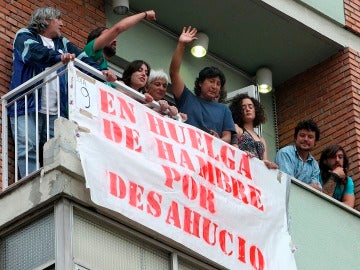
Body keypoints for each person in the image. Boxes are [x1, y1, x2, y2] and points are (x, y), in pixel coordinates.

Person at [9, 6, 115, 178]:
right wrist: (58, 57)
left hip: (55, 110)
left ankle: (52, 183)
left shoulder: (62, 43)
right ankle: (32, 184)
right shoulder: (24, 36)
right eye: (58, 20)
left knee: (56, 151)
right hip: (26, 104)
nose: (62, 24)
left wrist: (101, 72)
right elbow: (34, 53)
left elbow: (82, 59)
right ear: (46, 20)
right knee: (27, 147)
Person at [169, 26, 235, 143]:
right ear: (200, 83)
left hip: (209, 157)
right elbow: (174, 73)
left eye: (218, 84)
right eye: (211, 81)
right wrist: (181, 45)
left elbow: (227, 138)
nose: (215, 86)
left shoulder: (224, 110)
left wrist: (218, 140)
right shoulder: (186, 98)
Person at [84, 10, 156, 71]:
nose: (115, 40)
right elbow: (118, 29)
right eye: (109, 36)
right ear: (96, 39)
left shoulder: (106, 71)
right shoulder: (90, 49)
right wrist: (145, 14)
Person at [229, 94, 277, 169]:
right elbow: (232, 148)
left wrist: (270, 165)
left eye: (250, 107)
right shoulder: (237, 128)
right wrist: (242, 153)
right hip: (242, 169)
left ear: (256, 110)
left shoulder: (262, 139)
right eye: (243, 108)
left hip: (257, 173)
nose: (247, 109)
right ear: (238, 112)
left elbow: (265, 161)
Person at [275, 119, 322, 190]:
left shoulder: (314, 164)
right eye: (302, 135)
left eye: (310, 137)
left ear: (315, 142)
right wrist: (310, 186)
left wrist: (313, 187)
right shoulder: (285, 153)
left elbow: (318, 189)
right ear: (295, 138)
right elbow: (288, 184)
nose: (306, 139)